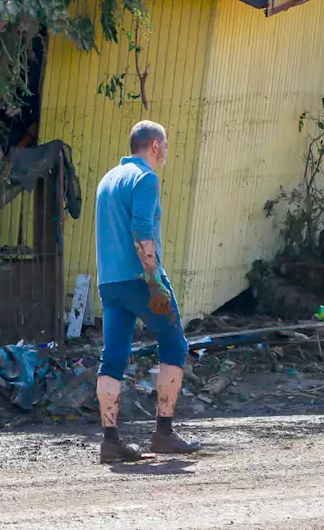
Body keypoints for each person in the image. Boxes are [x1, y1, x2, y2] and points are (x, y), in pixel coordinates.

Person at [93, 120, 201, 463]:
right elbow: (141, 228)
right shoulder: (146, 178)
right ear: (154, 146)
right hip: (141, 279)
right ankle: (163, 434)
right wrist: (154, 280)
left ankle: (110, 442)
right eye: (165, 145)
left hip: (110, 283)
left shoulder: (108, 180)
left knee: (112, 358)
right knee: (174, 345)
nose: (167, 151)